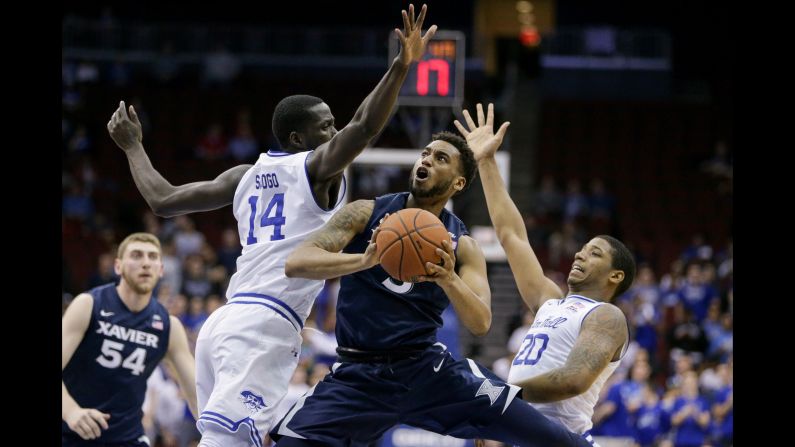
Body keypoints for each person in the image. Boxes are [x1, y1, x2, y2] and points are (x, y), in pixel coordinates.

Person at [106, 5, 437, 447]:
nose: (335, 131)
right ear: (299, 139)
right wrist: (400, 66)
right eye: (326, 126)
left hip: (224, 322)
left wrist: (133, 147)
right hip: (264, 327)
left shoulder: (243, 175)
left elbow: (162, 199)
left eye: (333, 124)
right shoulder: (317, 169)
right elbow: (363, 126)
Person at [270, 129, 590, 446]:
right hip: (358, 373)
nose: (426, 160)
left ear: (458, 183)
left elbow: (481, 322)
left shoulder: (463, 247)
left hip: (427, 371)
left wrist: (449, 278)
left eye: (440, 158)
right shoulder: (365, 213)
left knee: (549, 437)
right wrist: (363, 261)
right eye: (425, 154)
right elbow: (297, 262)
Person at [455, 103, 635, 445]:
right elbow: (511, 235)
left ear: (616, 277)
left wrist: (502, 398)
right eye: (583, 248)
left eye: (595, 253)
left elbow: (573, 380)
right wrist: (486, 162)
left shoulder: (608, 317)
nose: (581, 253)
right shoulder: (549, 301)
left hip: (559, 438)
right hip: (521, 433)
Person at [62, 232, 197, 446]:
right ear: (118, 266)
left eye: (153, 257)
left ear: (161, 269)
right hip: (72, 433)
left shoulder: (169, 326)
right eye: (136, 255)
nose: (145, 263)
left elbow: (197, 391)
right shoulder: (88, 305)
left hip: (128, 437)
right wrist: (71, 412)